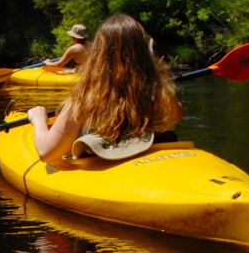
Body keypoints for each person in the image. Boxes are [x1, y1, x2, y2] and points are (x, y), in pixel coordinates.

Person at [27, 14, 182, 163]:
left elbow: (46, 153)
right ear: (144, 53)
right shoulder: (160, 92)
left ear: (99, 55)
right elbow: (176, 117)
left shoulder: (83, 101)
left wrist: (38, 119)